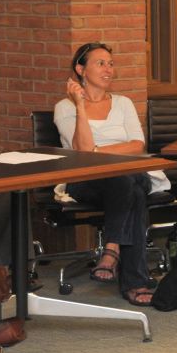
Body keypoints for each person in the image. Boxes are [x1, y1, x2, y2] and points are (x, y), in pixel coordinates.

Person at [53, 42, 162, 306]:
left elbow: (138, 145)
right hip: (87, 180)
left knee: (126, 179)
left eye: (111, 63)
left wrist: (100, 150)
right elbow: (82, 150)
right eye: (100, 63)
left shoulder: (123, 103)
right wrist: (80, 105)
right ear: (81, 69)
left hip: (132, 172)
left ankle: (111, 249)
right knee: (131, 189)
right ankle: (133, 281)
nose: (108, 69)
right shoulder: (65, 108)